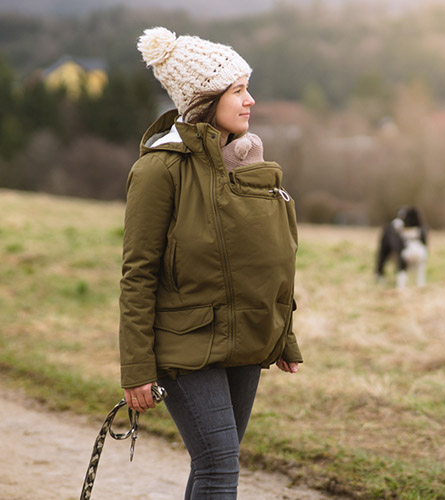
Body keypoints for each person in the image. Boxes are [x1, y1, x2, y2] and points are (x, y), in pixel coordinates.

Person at [119, 27, 303, 499]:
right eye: (238, 90)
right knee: (220, 465)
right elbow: (138, 275)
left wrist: (284, 334)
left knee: (213, 466)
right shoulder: (158, 171)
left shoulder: (246, 163)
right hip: (186, 345)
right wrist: (137, 367)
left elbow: (268, 262)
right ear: (205, 99)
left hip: (245, 339)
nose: (251, 101)